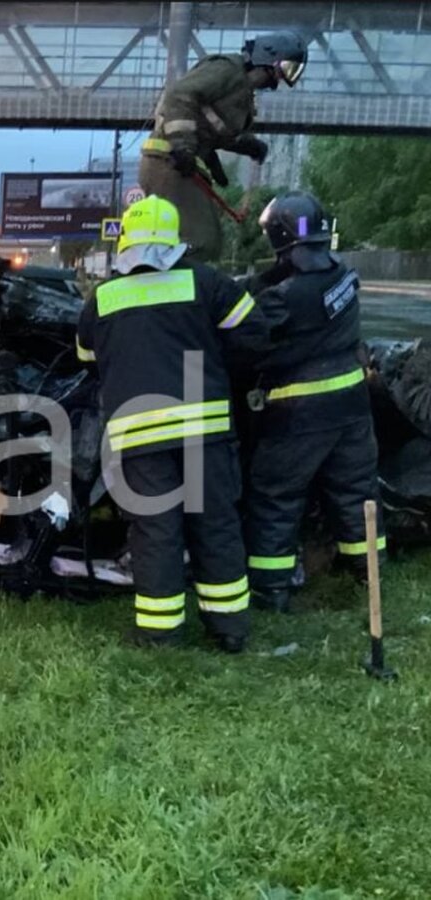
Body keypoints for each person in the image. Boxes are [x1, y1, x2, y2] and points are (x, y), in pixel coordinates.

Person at [76, 195, 268, 652]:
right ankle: (229, 630)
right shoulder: (207, 283)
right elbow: (254, 336)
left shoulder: (103, 298)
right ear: (175, 240)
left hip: (139, 438)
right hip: (205, 430)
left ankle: (159, 633)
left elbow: (86, 358)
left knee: (155, 530)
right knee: (215, 523)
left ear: (125, 242)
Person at [243, 191, 381, 612]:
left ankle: (271, 589)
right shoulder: (343, 276)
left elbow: (249, 341)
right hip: (353, 407)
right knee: (356, 492)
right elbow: (295, 284)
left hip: (299, 413)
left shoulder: (284, 298)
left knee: (275, 497)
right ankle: (368, 574)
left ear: (279, 237)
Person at [138, 31, 308, 262]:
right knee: (201, 242)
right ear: (267, 58)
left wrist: (248, 145)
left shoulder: (241, 89)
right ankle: (183, 295)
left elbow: (212, 126)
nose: (274, 83)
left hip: (176, 164)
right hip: (168, 161)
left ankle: (178, 289)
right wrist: (182, 146)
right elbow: (180, 96)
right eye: (279, 72)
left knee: (205, 240)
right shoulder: (228, 70)